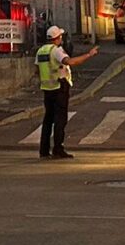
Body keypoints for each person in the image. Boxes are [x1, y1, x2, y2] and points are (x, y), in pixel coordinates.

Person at [35, 24, 98, 160]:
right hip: (59, 88)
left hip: (47, 89)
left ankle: (44, 150)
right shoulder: (56, 51)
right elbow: (70, 62)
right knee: (60, 120)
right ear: (57, 38)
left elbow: (37, 70)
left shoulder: (41, 51)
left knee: (48, 120)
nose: (61, 39)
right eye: (60, 37)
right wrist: (89, 54)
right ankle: (58, 149)